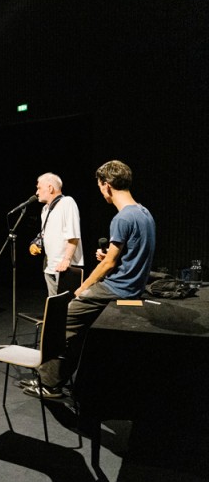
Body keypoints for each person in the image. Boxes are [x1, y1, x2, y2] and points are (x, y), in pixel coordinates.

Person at [26, 160, 156, 398]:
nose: (101, 192)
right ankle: (60, 379)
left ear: (107, 185)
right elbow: (132, 253)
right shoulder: (144, 213)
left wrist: (83, 288)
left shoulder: (122, 218)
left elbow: (109, 264)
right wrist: (110, 257)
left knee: (61, 320)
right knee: (78, 327)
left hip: (117, 288)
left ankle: (48, 383)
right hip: (132, 286)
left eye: (100, 186)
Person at [30, 173, 84, 296]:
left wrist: (66, 260)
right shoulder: (45, 210)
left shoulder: (67, 202)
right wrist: (35, 244)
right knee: (54, 303)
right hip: (50, 267)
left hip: (65, 267)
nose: (37, 192)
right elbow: (45, 234)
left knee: (68, 304)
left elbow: (74, 234)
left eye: (39, 188)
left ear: (50, 188)